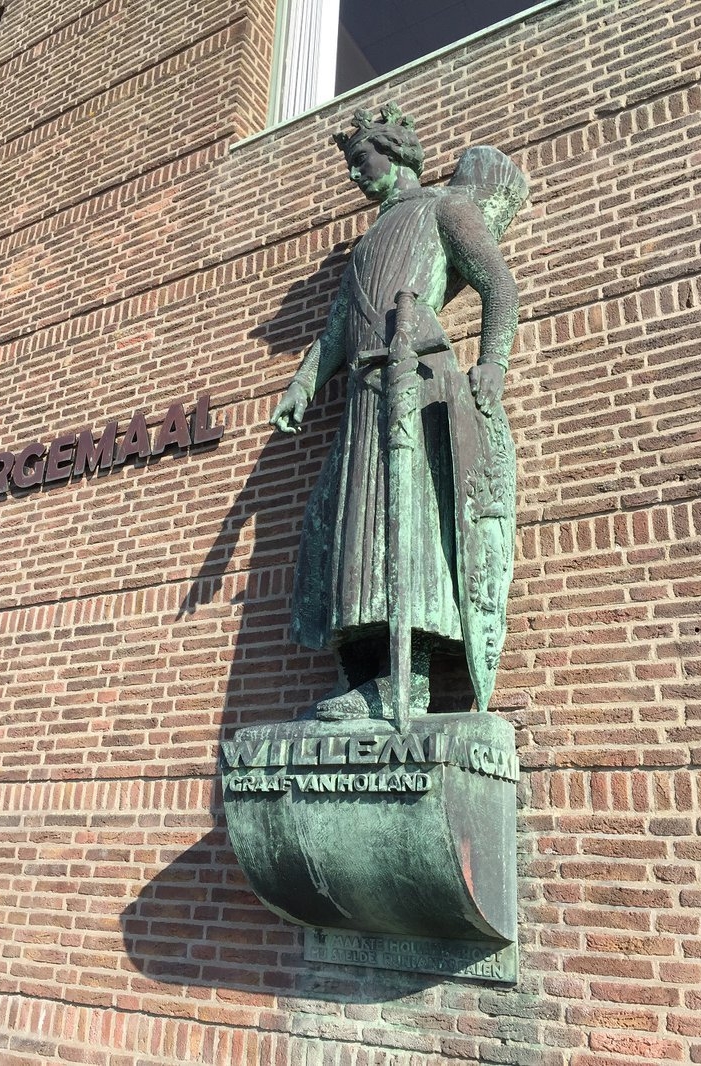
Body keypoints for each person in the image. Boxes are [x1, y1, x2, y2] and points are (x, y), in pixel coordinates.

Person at [270, 103, 526, 721]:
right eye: (353, 165)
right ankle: (362, 678)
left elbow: (498, 284)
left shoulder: (444, 208)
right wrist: (303, 384)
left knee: (408, 520)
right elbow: (336, 331)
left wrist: (493, 362)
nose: (355, 174)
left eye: (363, 160)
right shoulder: (364, 247)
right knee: (353, 532)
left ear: (397, 154)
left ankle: (406, 680)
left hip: (418, 385)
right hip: (363, 397)